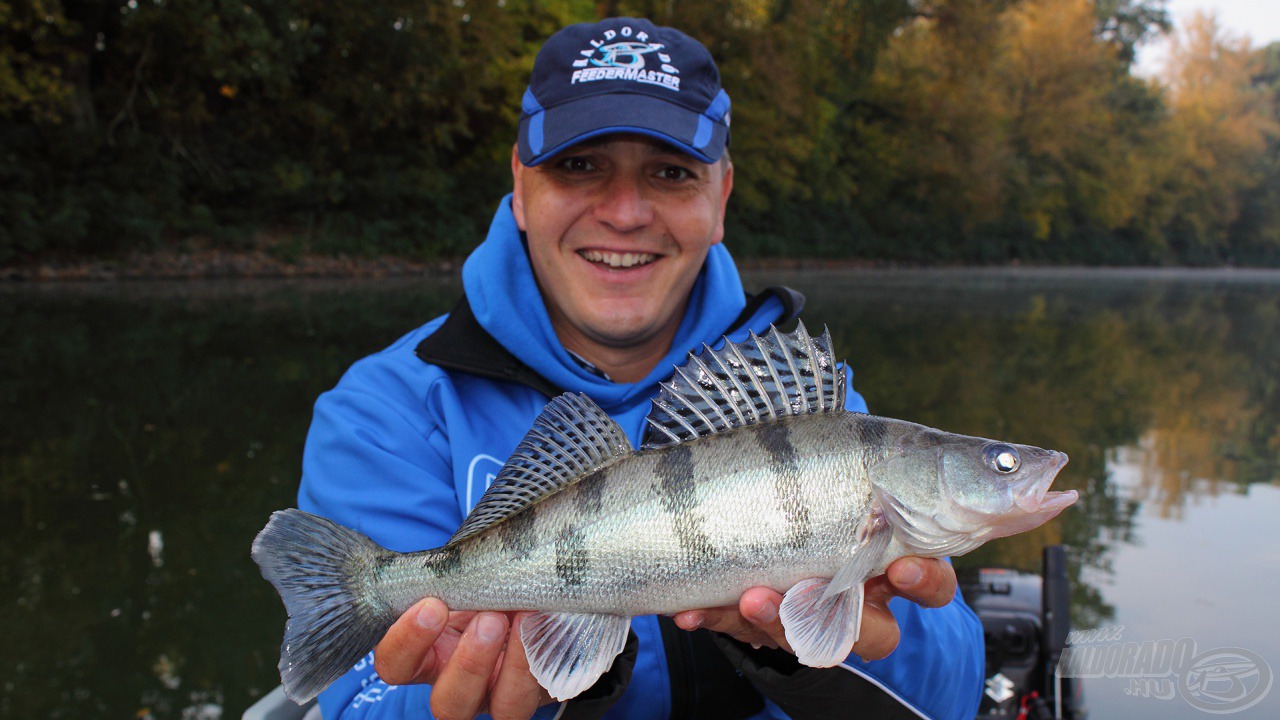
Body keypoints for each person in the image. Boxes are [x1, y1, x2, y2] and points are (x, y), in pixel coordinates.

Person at [297, 17, 984, 720]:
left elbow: (952, 702)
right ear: (519, 184)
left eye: (670, 173)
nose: (624, 213)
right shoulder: (384, 414)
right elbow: (363, 702)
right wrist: (553, 684)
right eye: (579, 165)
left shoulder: (801, 411)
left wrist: (809, 657)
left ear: (720, 198)